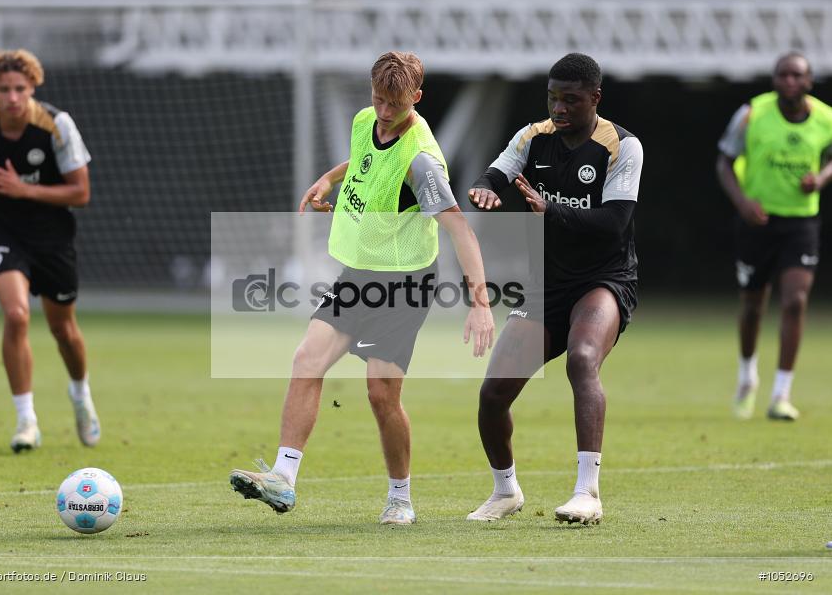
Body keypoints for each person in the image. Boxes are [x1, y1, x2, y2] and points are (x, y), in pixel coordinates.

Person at [230, 51, 495, 525]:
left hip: (405, 286)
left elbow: (461, 231)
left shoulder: (423, 163)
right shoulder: (365, 118)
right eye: (378, 99)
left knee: (380, 394)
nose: (385, 111)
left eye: (395, 103)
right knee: (306, 360)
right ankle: (284, 480)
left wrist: (480, 303)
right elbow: (363, 158)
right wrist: (327, 180)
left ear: (416, 96)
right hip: (359, 276)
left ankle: (400, 498)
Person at [466, 53, 643, 524]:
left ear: (594, 99)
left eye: (570, 99)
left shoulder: (622, 146)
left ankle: (588, 492)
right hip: (545, 286)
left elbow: (614, 222)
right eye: (552, 98)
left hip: (604, 280)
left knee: (583, 358)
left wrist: (553, 211)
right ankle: (506, 492)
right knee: (492, 395)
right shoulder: (533, 137)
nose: (559, 108)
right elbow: (498, 172)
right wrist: (486, 188)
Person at [0, 49, 99, 453]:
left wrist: (24, 189)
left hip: (51, 236)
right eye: (3, 90)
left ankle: (81, 394)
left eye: (19, 89)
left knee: (63, 330)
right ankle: (26, 420)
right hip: (0, 231)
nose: (12, 97)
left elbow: (81, 192)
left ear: (32, 86)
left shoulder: (56, 125)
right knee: (16, 315)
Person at [717, 52, 832, 422]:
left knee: (796, 301)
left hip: (801, 223)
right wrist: (742, 202)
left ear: (809, 80)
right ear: (774, 80)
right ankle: (747, 376)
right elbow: (724, 161)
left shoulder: (826, 118)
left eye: (797, 75)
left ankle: (781, 393)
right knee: (753, 306)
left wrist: (822, 177)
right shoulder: (752, 114)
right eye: (782, 74)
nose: (789, 81)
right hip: (757, 223)